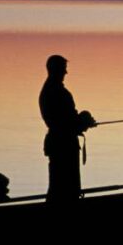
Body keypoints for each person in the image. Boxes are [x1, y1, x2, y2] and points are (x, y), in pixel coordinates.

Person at [39, 55, 95, 204]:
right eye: (64, 69)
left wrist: (82, 122)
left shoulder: (50, 90)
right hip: (63, 145)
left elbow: (66, 120)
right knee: (64, 187)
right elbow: (65, 122)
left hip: (59, 143)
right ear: (56, 70)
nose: (66, 73)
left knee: (60, 186)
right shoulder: (57, 92)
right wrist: (84, 121)